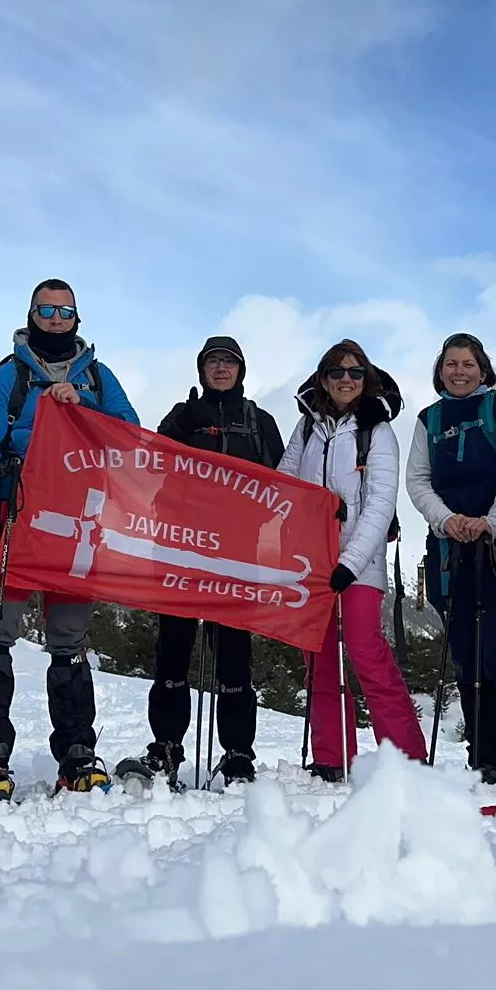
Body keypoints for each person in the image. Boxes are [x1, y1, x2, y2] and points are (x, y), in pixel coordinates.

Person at [0, 280, 138, 801]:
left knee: (69, 638)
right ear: (32, 313)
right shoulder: (8, 378)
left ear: (77, 317)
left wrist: (81, 406)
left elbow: (131, 434)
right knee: (0, 632)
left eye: (65, 310)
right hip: (18, 518)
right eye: (47, 309)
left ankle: (78, 753)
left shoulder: (98, 378)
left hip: (78, 522)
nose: (56, 318)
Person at [404, 333, 496, 781]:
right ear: (440, 371)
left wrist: (492, 522)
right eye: (450, 364)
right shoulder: (428, 420)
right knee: (469, 662)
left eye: (467, 363)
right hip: (452, 553)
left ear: (483, 368)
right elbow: (418, 481)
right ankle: (486, 759)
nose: (458, 371)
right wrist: (447, 520)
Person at [278, 340, 428, 778]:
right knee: (320, 658)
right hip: (311, 564)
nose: (347, 379)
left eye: (355, 372)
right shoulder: (306, 428)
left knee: (366, 653)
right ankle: (331, 756)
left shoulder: (377, 431)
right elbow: (285, 483)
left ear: (367, 379)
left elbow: (380, 503)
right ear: (323, 378)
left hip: (359, 565)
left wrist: (351, 562)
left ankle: (405, 759)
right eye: (337, 372)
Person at [144, 335, 286, 785]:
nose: (221, 369)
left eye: (229, 362)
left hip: (239, 554)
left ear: (241, 369)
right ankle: (165, 746)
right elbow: (153, 465)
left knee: (234, 657)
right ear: (202, 369)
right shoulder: (184, 415)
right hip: (181, 550)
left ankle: (239, 752)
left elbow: (283, 485)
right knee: (173, 652)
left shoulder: (259, 422)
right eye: (213, 362)